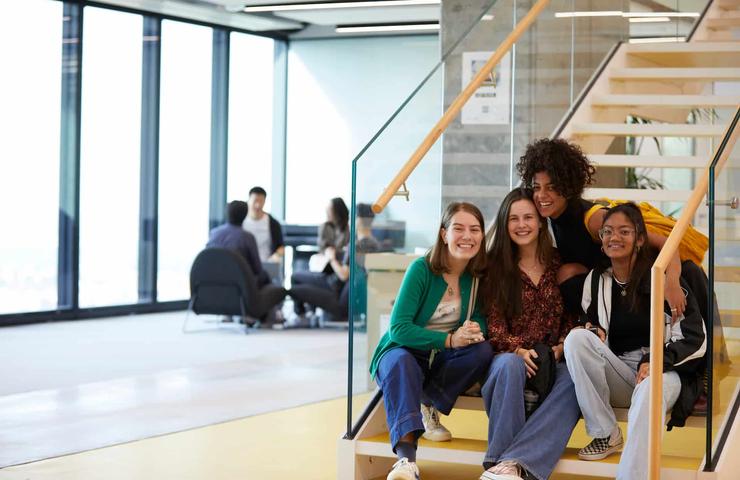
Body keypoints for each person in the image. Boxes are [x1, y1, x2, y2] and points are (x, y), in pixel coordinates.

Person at [563, 203, 706, 480]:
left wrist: (655, 360)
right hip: (622, 370)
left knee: (650, 387)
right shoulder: (596, 280)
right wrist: (593, 331)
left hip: (665, 373)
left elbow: (696, 341)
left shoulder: (664, 280)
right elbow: (589, 322)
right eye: (608, 232)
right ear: (601, 240)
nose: (614, 237)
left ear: (640, 238)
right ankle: (606, 433)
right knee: (576, 339)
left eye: (624, 231)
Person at [516, 138, 709, 328]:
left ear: (567, 187)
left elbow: (667, 243)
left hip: (644, 283)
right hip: (613, 288)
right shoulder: (551, 219)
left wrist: (672, 283)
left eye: (551, 187)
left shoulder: (594, 219)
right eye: (537, 187)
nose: (541, 195)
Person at [368, 202, 493, 480]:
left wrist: (473, 328)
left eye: (474, 229)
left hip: (440, 359)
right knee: (402, 361)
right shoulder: (421, 270)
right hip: (402, 352)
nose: (467, 236)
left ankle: (429, 400)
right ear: (443, 234)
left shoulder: (478, 277)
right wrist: (449, 340)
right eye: (458, 228)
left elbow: (483, 318)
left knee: (483, 350)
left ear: (482, 236)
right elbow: (399, 328)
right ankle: (405, 461)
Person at [478, 188, 580, 480]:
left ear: (540, 222)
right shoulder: (494, 268)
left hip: (551, 359)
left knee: (575, 378)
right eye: (514, 219)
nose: (522, 225)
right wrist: (517, 350)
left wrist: (562, 345)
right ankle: (502, 463)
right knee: (510, 365)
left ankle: (511, 465)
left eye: (528, 217)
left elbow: (571, 316)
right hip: (505, 359)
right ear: (504, 223)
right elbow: (494, 327)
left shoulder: (559, 263)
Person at [288, 203, 380, 324]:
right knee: (298, 280)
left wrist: (331, 258)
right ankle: (307, 314)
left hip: (336, 289)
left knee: (295, 282)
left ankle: (302, 316)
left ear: (359, 220)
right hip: (340, 288)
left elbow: (344, 275)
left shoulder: (357, 245)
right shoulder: (374, 244)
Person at [207, 200, 270, 288]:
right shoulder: (247, 237)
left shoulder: (213, 233)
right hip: (239, 287)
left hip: (213, 283)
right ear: (245, 215)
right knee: (265, 276)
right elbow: (257, 269)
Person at [242, 186, 285, 263]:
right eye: (255, 201)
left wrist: (276, 256)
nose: (258, 205)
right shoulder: (241, 221)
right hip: (244, 265)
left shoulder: (272, 223)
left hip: (266, 264)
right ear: (248, 201)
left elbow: (281, 247)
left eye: (261, 201)